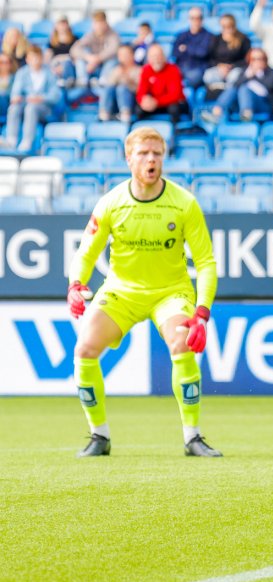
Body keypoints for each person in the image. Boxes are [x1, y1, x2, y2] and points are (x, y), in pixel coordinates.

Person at [67, 126, 220, 458]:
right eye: (144, 153)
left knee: (181, 342)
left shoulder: (184, 203)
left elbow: (206, 262)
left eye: (157, 154)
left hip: (171, 293)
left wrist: (202, 312)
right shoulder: (111, 202)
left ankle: (192, 438)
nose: (152, 160)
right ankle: (99, 436)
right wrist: (75, 284)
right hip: (122, 291)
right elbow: (86, 252)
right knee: (85, 349)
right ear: (128, 159)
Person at [3, 45, 60, 152]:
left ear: (41, 58)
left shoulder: (49, 73)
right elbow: (15, 92)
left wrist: (41, 98)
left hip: (45, 109)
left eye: (37, 57)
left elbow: (55, 96)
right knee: (14, 108)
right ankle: (11, 139)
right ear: (27, 59)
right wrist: (16, 98)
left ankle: (27, 141)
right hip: (25, 104)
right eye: (32, 58)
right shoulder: (22, 73)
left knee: (31, 107)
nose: (35, 61)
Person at [202, 48, 273, 123]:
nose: (257, 62)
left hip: (263, 103)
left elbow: (270, 87)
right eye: (253, 59)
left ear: (265, 60)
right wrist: (247, 76)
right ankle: (216, 113)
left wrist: (258, 74)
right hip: (242, 103)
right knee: (233, 89)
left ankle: (246, 115)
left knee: (244, 88)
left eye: (260, 59)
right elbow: (235, 85)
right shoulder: (245, 72)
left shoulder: (271, 72)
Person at [136, 44, 188, 126]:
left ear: (164, 57)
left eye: (158, 56)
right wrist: (144, 100)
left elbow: (175, 95)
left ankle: (176, 131)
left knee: (174, 108)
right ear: (148, 59)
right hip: (154, 103)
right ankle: (142, 131)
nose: (156, 59)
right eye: (153, 57)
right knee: (139, 109)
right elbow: (140, 93)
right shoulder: (146, 70)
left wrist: (156, 102)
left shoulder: (173, 69)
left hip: (170, 103)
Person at [70, 11, 121, 94]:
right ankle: (82, 81)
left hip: (105, 66)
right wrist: (88, 57)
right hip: (91, 67)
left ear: (105, 23)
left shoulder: (113, 34)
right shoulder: (90, 35)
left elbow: (113, 49)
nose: (99, 26)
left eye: (101, 23)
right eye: (96, 23)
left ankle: (103, 81)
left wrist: (97, 59)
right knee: (82, 55)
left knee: (114, 59)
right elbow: (74, 49)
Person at [201, 14, 251, 93]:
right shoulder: (216, 39)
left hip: (235, 69)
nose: (227, 29)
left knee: (235, 77)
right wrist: (220, 66)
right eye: (224, 26)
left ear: (233, 25)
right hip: (219, 69)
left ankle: (227, 90)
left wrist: (231, 66)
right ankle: (219, 88)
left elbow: (246, 60)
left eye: (229, 26)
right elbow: (210, 58)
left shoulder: (243, 39)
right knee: (207, 76)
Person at [172, 7, 216, 90]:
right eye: (192, 18)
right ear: (189, 19)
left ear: (202, 19)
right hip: (181, 67)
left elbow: (203, 52)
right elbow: (175, 52)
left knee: (191, 78)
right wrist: (194, 49)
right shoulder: (181, 35)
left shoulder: (209, 36)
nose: (195, 21)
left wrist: (186, 48)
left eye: (198, 18)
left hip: (199, 69)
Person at [98, 45, 142, 123]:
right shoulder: (116, 70)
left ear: (132, 55)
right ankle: (104, 113)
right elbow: (109, 88)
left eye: (126, 54)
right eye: (121, 55)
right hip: (115, 104)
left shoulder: (139, 70)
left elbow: (141, 90)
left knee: (122, 88)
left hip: (132, 103)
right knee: (109, 87)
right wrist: (117, 76)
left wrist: (129, 81)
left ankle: (125, 114)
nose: (123, 57)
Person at [46, 17, 77, 86]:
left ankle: (67, 82)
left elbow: (75, 54)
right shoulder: (52, 41)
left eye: (64, 24)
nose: (62, 27)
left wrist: (63, 58)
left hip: (69, 63)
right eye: (60, 25)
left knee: (66, 63)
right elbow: (49, 55)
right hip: (56, 63)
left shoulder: (74, 39)